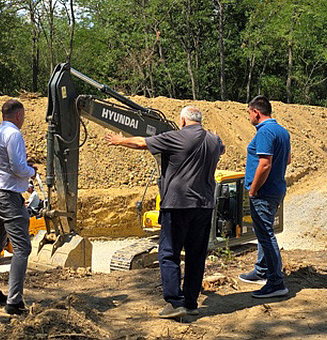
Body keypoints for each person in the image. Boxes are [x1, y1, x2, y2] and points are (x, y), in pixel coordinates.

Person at [106, 106, 224, 319]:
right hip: (205, 206)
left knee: (168, 253)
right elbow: (220, 147)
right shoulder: (214, 141)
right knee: (196, 256)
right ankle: (190, 302)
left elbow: (142, 142)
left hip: (178, 205)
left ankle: (174, 301)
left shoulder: (176, 137)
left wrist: (119, 140)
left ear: (182, 120)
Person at [0, 99, 37, 315]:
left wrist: (24, 175)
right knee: (22, 247)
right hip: (8, 197)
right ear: (18, 115)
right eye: (23, 115)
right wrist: (31, 172)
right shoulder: (14, 134)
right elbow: (16, 167)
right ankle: (14, 302)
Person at [238, 95, 291, 298]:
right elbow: (286, 160)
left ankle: (276, 282)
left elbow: (265, 164)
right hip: (276, 188)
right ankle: (261, 270)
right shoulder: (282, 131)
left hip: (264, 192)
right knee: (264, 232)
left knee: (266, 235)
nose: (249, 118)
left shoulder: (265, 132)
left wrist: (253, 189)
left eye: (249, 113)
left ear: (256, 112)